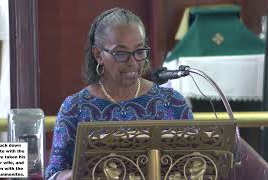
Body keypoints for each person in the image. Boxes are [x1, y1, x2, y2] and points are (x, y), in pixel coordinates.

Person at [45, 7, 193, 180]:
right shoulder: (75, 107)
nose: (132, 62)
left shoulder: (172, 102)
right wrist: (79, 173)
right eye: (121, 53)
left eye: (139, 51)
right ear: (98, 54)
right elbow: (53, 175)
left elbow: (193, 165)